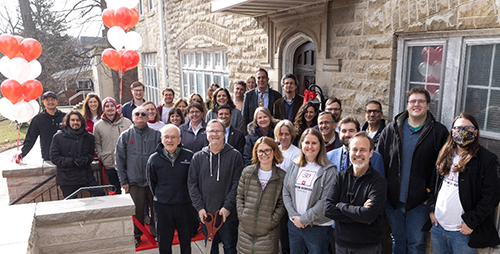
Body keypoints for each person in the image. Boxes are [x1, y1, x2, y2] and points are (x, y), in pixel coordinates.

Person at [377, 87, 448, 254]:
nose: (417, 104)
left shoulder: (438, 132)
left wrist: (430, 198)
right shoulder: (392, 129)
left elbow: (442, 170)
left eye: (421, 101)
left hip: (420, 203)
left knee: (416, 244)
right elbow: (380, 161)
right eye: (413, 101)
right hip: (393, 201)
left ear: (428, 105)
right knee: (398, 239)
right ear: (407, 105)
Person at [426, 113, 500, 253]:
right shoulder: (444, 153)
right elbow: (433, 184)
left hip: (462, 231)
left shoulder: (486, 159)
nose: (462, 132)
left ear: (475, 132)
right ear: (452, 131)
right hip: (438, 226)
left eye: (467, 128)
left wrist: (472, 222)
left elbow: (491, 196)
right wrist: (431, 209)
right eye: (458, 128)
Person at [325, 131, 387, 254]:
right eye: (354, 149)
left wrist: (341, 206)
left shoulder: (379, 182)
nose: (358, 154)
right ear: (349, 152)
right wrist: (359, 213)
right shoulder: (340, 177)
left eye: (363, 150)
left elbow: (369, 215)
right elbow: (328, 210)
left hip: (367, 247)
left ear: (371, 153)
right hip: (341, 244)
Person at [188, 119, 244, 254]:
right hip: (206, 214)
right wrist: (199, 208)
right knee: (210, 247)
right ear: (206, 134)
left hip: (227, 214)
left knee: (230, 246)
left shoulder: (235, 156)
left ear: (224, 133)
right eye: (211, 131)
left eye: (218, 131)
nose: (215, 134)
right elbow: (192, 184)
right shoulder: (197, 157)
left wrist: (227, 207)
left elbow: (238, 184)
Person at [282, 128, 336, 254]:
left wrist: (304, 219)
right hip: (294, 225)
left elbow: (325, 200)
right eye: (307, 143)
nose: (310, 146)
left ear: (320, 146)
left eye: (314, 143)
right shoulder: (295, 165)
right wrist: (294, 216)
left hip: (317, 228)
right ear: (301, 144)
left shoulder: (329, 170)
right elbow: (286, 191)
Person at [115, 106, 161, 247]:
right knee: (136, 211)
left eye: (143, 114)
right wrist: (123, 181)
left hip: (153, 181)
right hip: (134, 181)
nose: (140, 116)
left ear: (148, 117)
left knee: (156, 209)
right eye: (137, 114)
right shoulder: (125, 136)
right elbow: (119, 160)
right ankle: (136, 235)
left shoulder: (156, 135)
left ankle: (157, 233)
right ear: (132, 117)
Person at [147, 124, 195, 254]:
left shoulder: (189, 156)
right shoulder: (154, 159)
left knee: (186, 239)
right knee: (164, 241)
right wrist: (161, 196)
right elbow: (152, 182)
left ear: (179, 140)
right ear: (161, 139)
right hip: (163, 206)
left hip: (184, 205)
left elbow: (193, 180)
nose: (170, 140)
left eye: (174, 137)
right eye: (167, 137)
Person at [236, 137, 286, 254]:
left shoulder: (282, 176)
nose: (264, 154)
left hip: (268, 232)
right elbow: (239, 196)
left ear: (274, 151)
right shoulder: (247, 172)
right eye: (260, 151)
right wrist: (243, 216)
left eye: (267, 150)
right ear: (256, 153)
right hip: (245, 230)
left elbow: (282, 203)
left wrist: (272, 221)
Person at [49, 111, 105, 198]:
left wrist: (85, 160)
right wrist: (73, 161)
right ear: (68, 121)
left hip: (85, 175)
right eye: (73, 120)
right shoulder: (58, 137)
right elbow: (54, 157)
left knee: (100, 194)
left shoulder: (89, 137)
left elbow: (91, 154)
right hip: (67, 178)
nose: (75, 122)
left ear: (81, 122)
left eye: (78, 120)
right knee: (71, 205)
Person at [94, 97, 132, 195]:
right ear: (103, 108)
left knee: (129, 190)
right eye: (107, 106)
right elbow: (97, 143)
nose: (110, 108)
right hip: (109, 163)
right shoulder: (98, 126)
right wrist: (102, 156)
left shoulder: (127, 122)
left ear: (116, 107)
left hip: (126, 164)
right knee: (115, 191)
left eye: (112, 106)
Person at [273, 119, 299, 254]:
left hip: (288, 196)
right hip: (273, 195)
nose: (283, 137)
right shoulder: (274, 150)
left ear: (291, 135)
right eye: (281, 134)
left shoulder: (296, 153)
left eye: (287, 134)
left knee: (285, 229)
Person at [20, 91, 65, 161]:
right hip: (48, 156)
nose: (50, 102)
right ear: (43, 102)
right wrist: (22, 154)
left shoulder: (65, 117)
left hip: (65, 155)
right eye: (47, 100)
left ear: (57, 101)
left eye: (53, 100)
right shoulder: (38, 119)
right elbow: (30, 138)